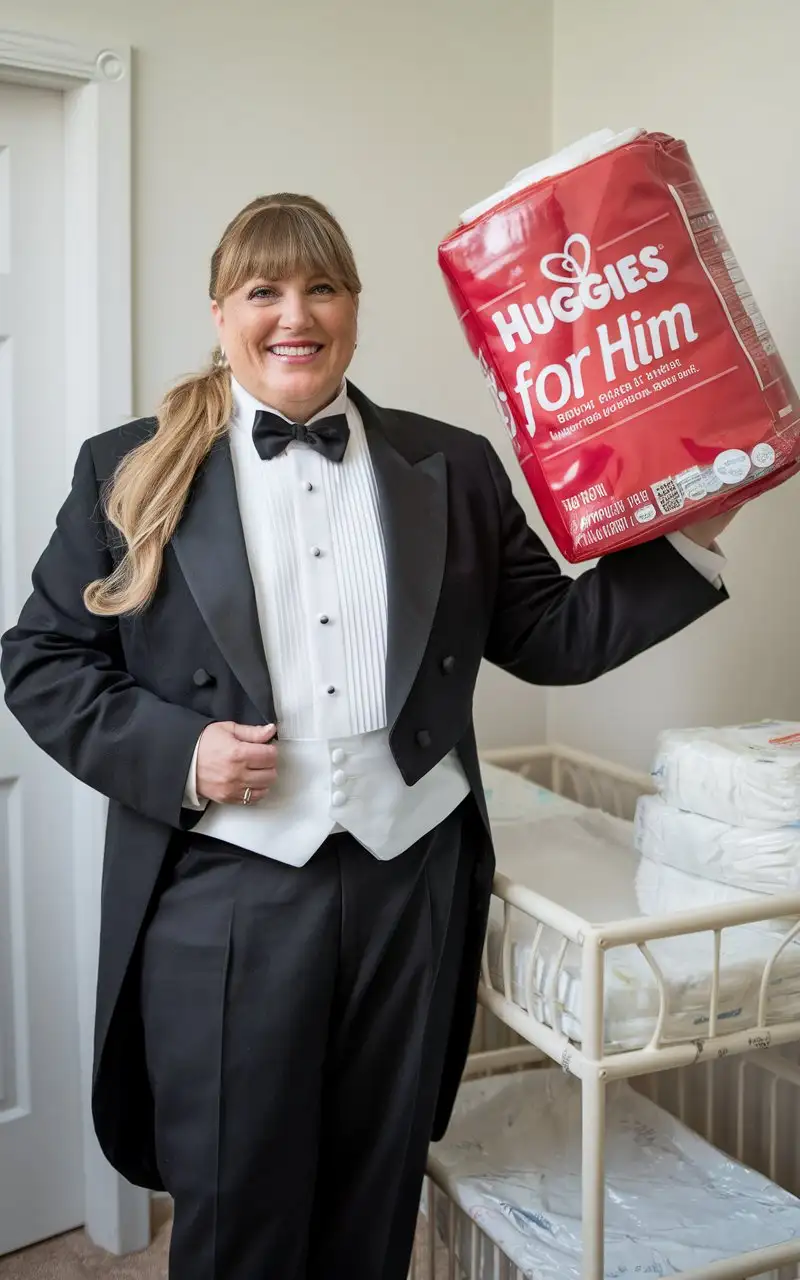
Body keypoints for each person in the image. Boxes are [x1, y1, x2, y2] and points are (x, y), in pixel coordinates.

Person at [0, 193, 735, 1280]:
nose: (294, 314)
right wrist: (180, 752)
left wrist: (690, 532)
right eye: (264, 290)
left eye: (321, 287)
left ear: (353, 307)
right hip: (226, 891)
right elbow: (42, 658)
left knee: (372, 1195)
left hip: (412, 880)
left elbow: (547, 632)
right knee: (241, 1212)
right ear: (219, 312)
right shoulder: (131, 465)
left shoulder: (453, 463)